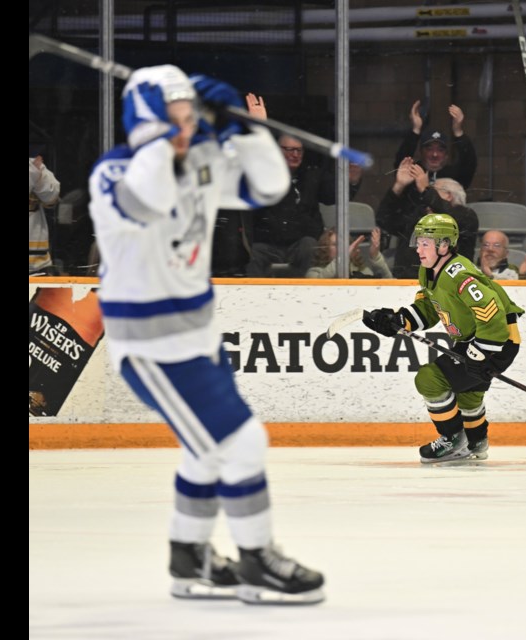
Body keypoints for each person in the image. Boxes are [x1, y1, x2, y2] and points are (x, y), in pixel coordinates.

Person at [87, 65, 325, 604]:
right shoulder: (117, 170)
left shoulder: (199, 161)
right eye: (176, 110)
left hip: (197, 337)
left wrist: (243, 127)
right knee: (242, 444)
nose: (188, 120)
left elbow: (269, 185)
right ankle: (257, 559)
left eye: (190, 109)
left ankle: (188, 558)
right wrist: (173, 134)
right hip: (149, 344)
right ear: (147, 116)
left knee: (206, 454)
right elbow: (147, 198)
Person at [362, 213, 525, 463]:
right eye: (418, 243)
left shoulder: (459, 275)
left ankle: (452, 439)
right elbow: (429, 309)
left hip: (497, 340)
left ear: (444, 245)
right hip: (475, 339)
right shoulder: (429, 273)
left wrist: (478, 354)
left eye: (425, 243)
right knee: (468, 395)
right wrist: (398, 320)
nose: (418, 249)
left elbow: (492, 315)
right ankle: (477, 441)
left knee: (430, 379)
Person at [241, 93, 363, 278]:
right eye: (289, 150)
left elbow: (332, 196)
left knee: (309, 246)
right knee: (254, 254)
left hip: (301, 244)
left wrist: (351, 182)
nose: (294, 154)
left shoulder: (311, 175)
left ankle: (308, 300)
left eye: (298, 150)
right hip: (268, 244)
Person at [376, 158, 478, 278]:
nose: (424, 194)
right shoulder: (419, 215)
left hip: (449, 287)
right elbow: (384, 220)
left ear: (449, 195)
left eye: (432, 189)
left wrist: (425, 189)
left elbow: (448, 217)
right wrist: (399, 186)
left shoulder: (466, 216)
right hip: (407, 285)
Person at [392, 100, 477, 189]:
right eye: (429, 149)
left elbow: (469, 163)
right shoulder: (412, 174)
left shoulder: (453, 176)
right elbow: (401, 163)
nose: (434, 154)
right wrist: (416, 130)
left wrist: (458, 131)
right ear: (421, 152)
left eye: (440, 150)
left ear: (446, 155)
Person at [306, 226, 393, 279]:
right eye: (336, 244)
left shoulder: (362, 271)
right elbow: (317, 286)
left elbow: (390, 287)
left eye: (345, 244)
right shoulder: (314, 273)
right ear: (325, 248)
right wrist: (344, 258)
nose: (341, 249)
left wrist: (375, 257)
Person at [29, 153, 61, 274]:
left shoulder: (35, 166)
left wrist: (39, 179)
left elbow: (52, 197)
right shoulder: (32, 169)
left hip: (36, 263)